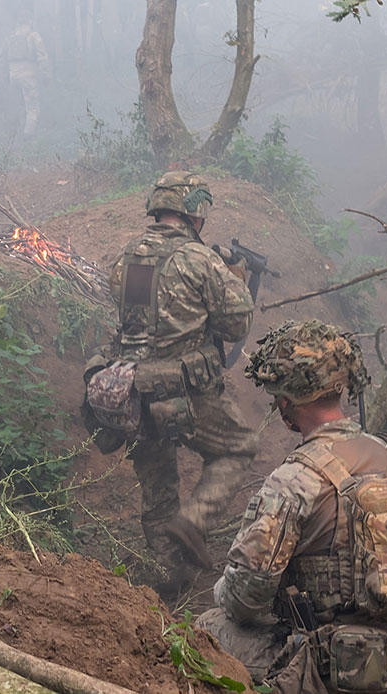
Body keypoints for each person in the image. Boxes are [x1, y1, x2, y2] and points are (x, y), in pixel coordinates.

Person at [198, 320, 387, 694]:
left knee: (208, 629)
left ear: (284, 403)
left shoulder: (295, 479)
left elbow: (246, 597)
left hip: (336, 668)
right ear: (340, 389)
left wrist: (223, 591)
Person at [84, 171, 259, 586]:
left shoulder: (127, 255)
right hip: (185, 389)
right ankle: (194, 523)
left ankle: (169, 573)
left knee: (158, 481)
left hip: (133, 392)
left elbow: (139, 315)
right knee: (237, 449)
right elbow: (235, 325)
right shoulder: (200, 259)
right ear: (195, 215)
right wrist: (233, 280)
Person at [3, 15, 49, 135]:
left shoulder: (11, 36)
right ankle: (28, 134)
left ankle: (12, 131)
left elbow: (3, 57)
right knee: (32, 105)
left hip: (13, 75)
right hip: (28, 75)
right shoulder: (33, 36)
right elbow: (42, 56)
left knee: (16, 104)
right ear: (30, 21)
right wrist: (46, 75)